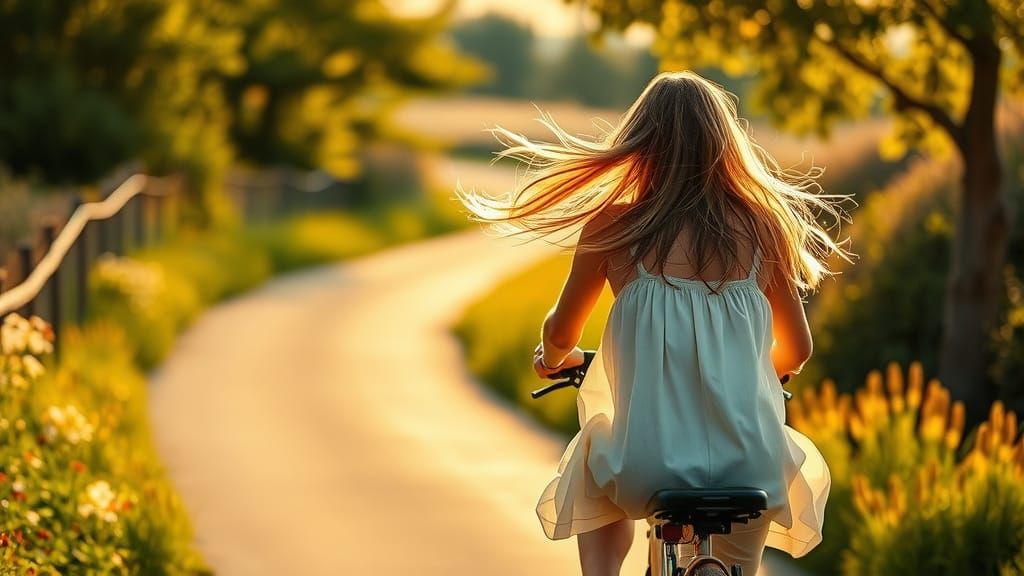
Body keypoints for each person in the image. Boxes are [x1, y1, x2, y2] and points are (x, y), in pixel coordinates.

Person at [455, 71, 851, 576]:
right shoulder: (763, 228)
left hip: (649, 464)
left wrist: (555, 358)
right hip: (751, 462)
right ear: (723, 146)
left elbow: (560, 334)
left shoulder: (613, 226)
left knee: (591, 452)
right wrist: (741, 374)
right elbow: (797, 350)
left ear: (641, 144)